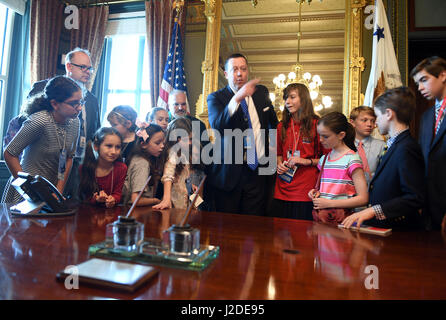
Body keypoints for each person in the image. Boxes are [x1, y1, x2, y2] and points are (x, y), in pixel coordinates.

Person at [342, 87, 425, 230]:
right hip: (384, 226)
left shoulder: (406, 147)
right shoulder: (395, 144)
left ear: (388, 114)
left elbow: (414, 197)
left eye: (377, 116)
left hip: (399, 230)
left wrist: (373, 210)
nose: (375, 123)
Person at [207, 53, 278, 216]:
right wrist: (237, 98)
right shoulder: (216, 98)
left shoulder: (260, 92)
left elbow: (272, 122)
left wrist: (272, 146)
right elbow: (218, 125)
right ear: (226, 74)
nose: (239, 73)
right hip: (229, 174)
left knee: (254, 226)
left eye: (243, 69)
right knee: (228, 227)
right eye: (234, 70)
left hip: (258, 171)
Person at [27, 48, 101, 200]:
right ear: (68, 67)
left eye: (90, 68)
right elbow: (26, 123)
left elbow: (95, 132)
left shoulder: (92, 100)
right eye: (83, 67)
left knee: (69, 209)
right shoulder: (43, 88)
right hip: (46, 160)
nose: (87, 71)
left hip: (79, 164)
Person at [1, 76, 81, 204]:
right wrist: (27, 188)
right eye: (74, 103)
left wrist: (58, 191)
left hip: (50, 192)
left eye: (80, 102)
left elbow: (67, 158)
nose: (79, 108)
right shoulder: (39, 121)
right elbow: (9, 153)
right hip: (25, 193)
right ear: (54, 104)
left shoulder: (75, 122)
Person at [273, 83, 326, 220]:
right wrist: (279, 164)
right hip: (283, 188)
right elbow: (278, 153)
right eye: (286, 98)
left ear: (304, 99)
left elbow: (328, 158)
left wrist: (306, 161)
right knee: (280, 235)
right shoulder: (281, 126)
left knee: (302, 235)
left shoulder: (317, 124)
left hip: (306, 190)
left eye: (292, 97)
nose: (287, 102)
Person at [411, 56, 446, 230]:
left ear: (442, 75)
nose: (420, 88)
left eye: (424, 80)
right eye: (418, 83)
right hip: (428, 209)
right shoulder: (425, 117)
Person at [308, 112, 368, 212]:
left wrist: (330, 203)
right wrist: (315, 192)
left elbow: (363, 199)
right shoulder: (324, 159)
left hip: (342, 219)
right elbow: (328, 189)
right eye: (319, 135)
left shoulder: (352, 159)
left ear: (341, 135)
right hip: (323, 218)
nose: (321, 140)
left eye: (325, 136)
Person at [153, 117, 205, 210]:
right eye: (186, 139)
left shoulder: (183, 152)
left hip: (184, 200)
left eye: (191, 139)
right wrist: (166, 199)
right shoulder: (173, 153)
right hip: (174, 204)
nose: (189, 143)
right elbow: (168, 176)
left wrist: (190, 185)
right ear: (175, 139)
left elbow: (185, 178)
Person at [79, 127, 127, 208]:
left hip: (111, 212)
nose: (114, 152)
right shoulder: (84, 168)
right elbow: (83, 197)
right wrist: (96, 199)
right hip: (87, 212)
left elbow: (118, 193)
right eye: (109, 146)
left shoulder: (121, 168)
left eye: (118, 147)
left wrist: (113, 199)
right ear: (96, 146)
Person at [122, 124, 165, 206]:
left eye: (163, 142)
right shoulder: (142, 163)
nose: (162, 146)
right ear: (143, 144)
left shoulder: (140, 158)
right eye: (157, 143)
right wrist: (157, 201)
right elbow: (136, 200)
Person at [349, 106, 386, 185]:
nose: (369, 124)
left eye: (372, 121)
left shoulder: (382, 146)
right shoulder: (345, 146)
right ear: (352, 122)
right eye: (364, 120)